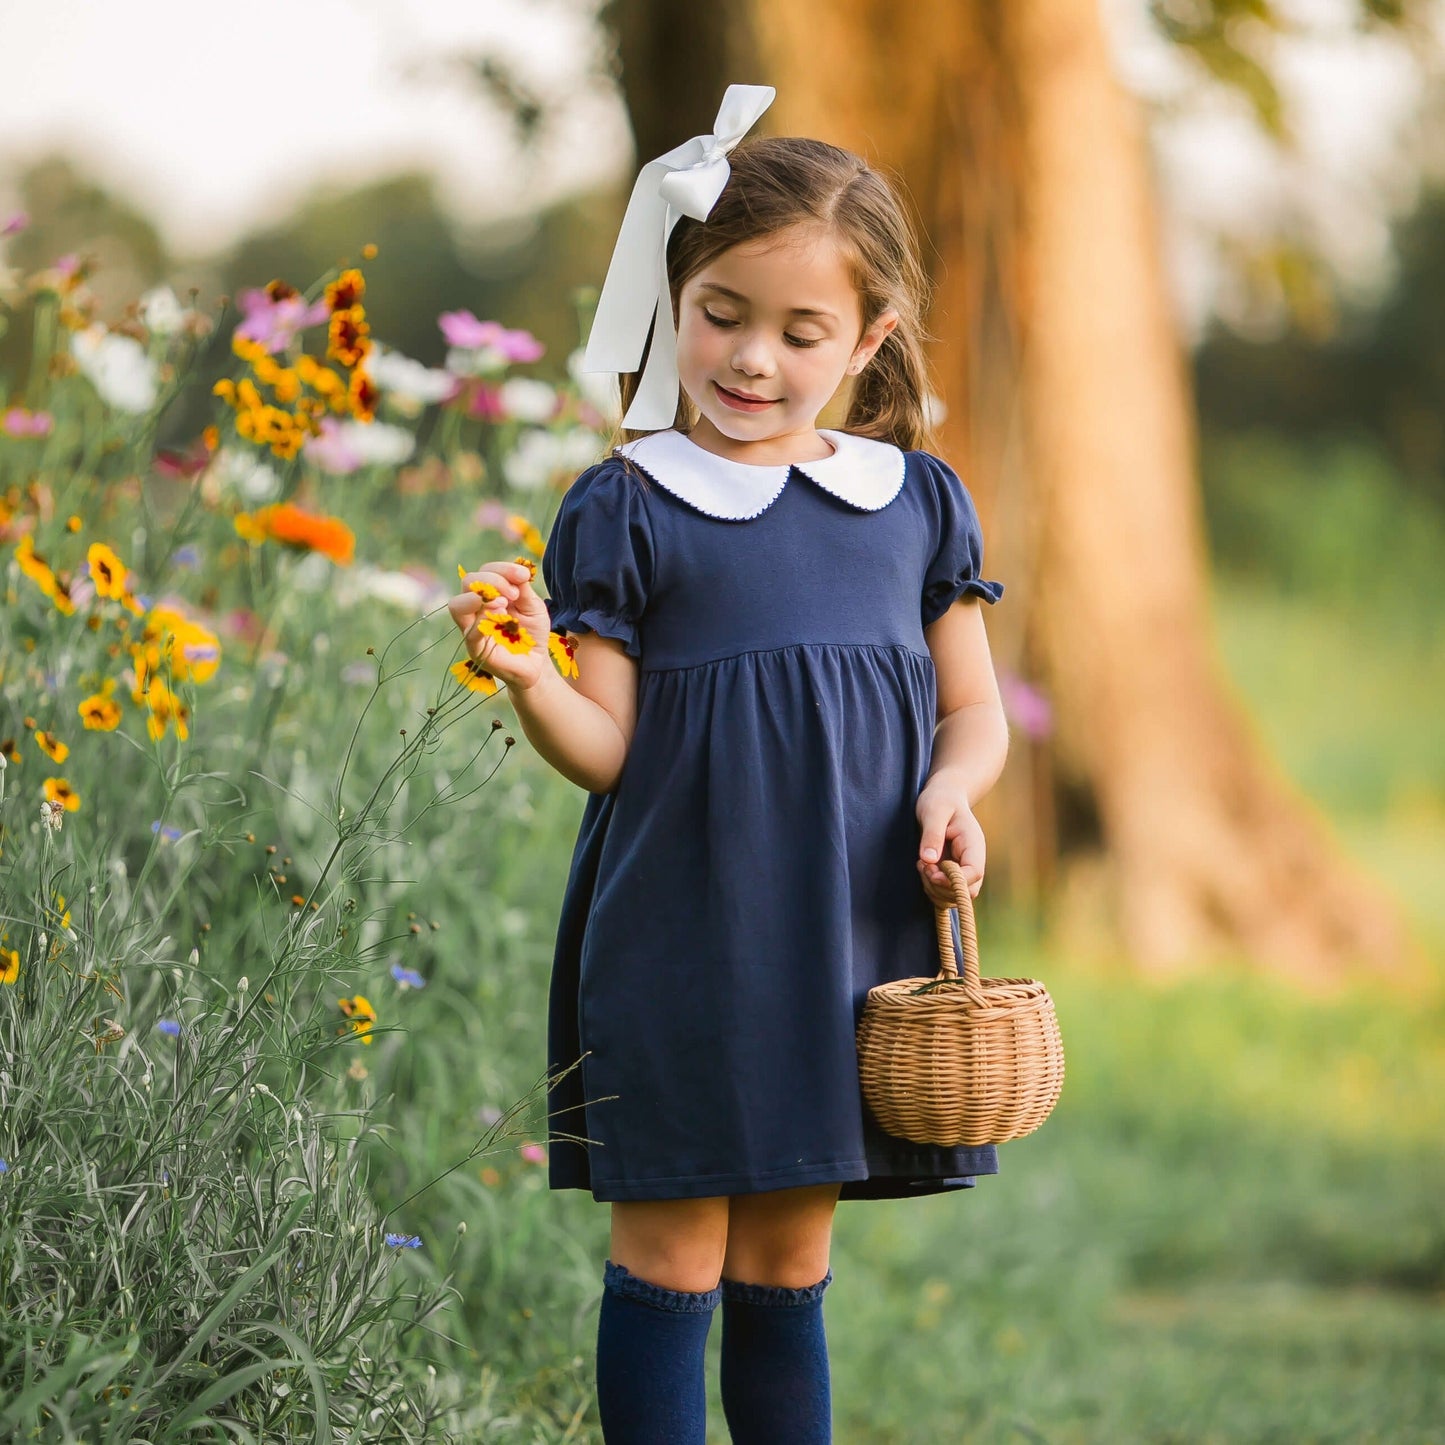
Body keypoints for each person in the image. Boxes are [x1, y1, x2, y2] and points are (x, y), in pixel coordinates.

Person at [448, 84, 1009, 1445]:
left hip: (845, 943)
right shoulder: (628, 503)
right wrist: (532, 676)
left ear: (866, 339)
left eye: (799, 331)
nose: (751, 358)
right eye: (720, 314)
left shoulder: (912, 501)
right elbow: (606, 749)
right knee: (672, 1253)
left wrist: (950, 792)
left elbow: (971, 712)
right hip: (683, 940)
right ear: (673, 295)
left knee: (785, 1260)